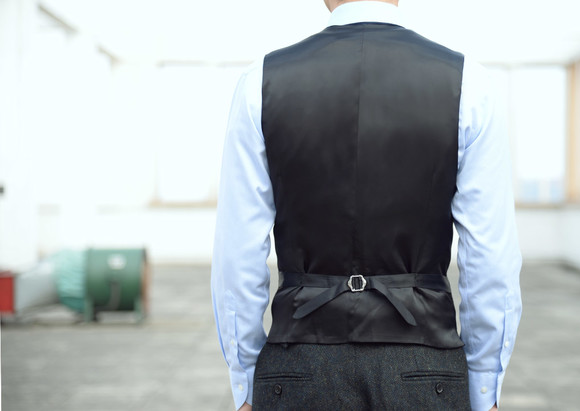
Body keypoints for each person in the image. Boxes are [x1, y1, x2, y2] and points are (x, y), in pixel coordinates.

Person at [211, 1, 523, 410]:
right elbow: (490, 258)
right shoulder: (469, 84)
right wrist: (483, 385)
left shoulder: (260, 83)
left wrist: (246, 380)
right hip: (425, 369)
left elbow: (237, 254)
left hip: (298, 367)